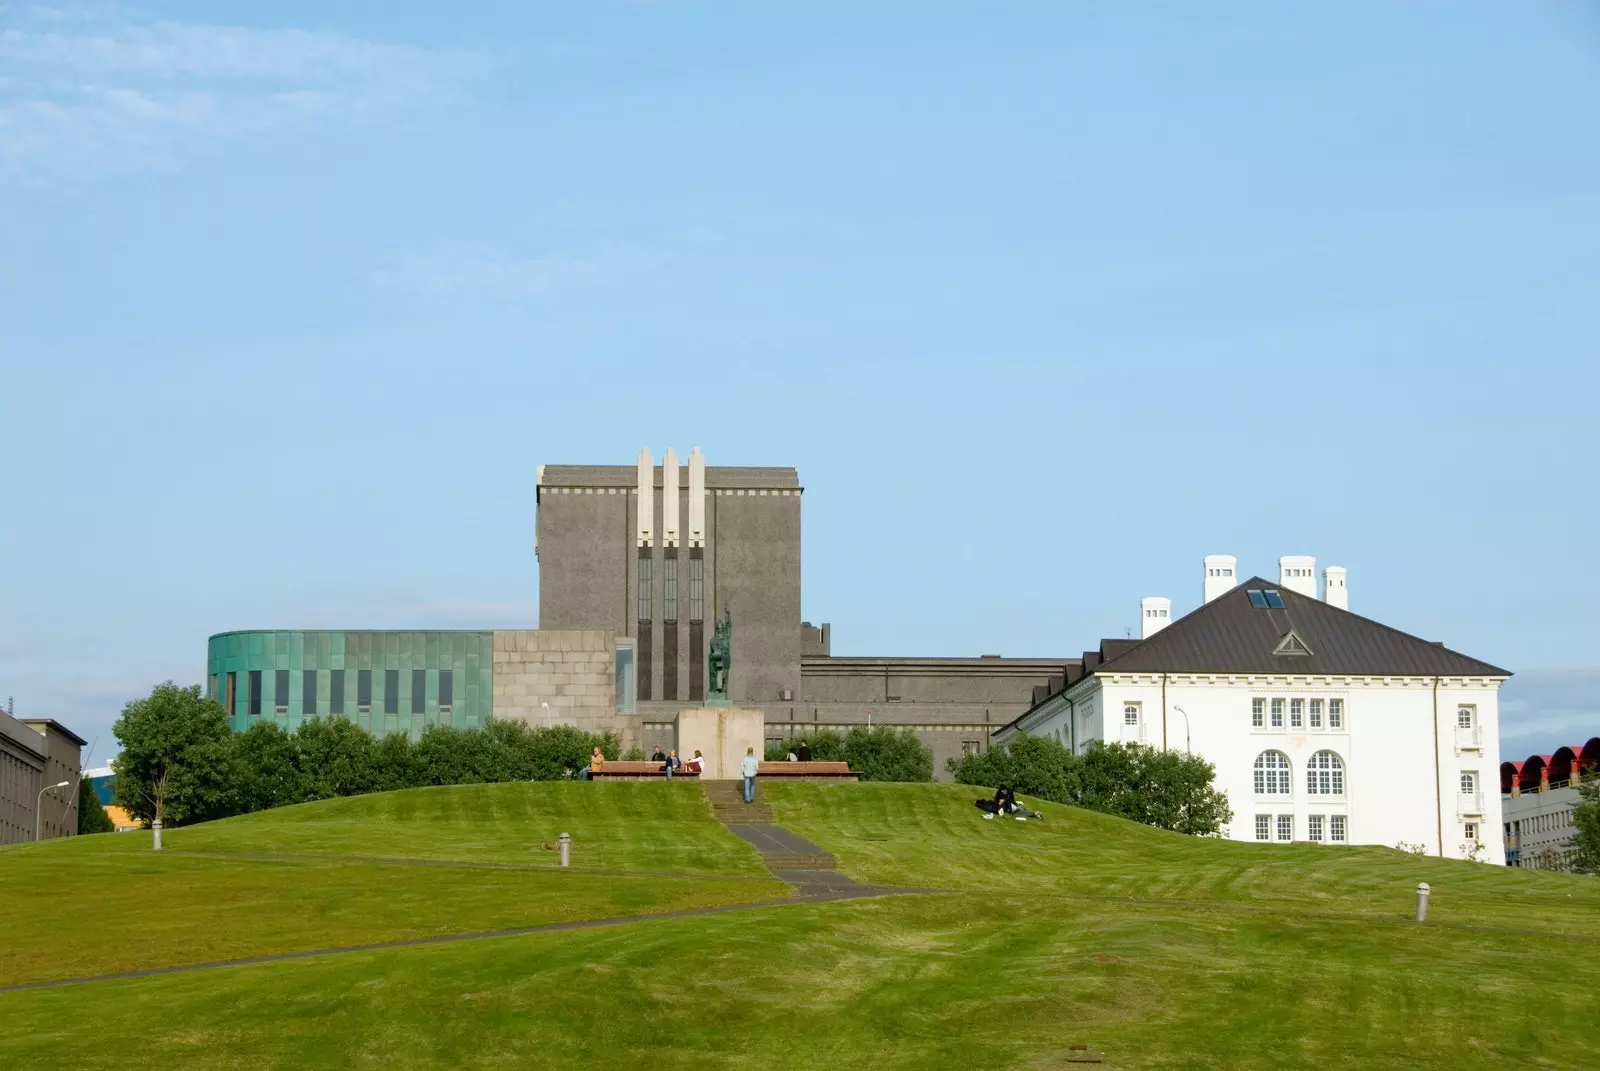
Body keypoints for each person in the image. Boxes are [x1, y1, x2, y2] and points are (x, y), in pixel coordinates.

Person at [977, 785, 1044, 821]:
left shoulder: (1009, 793)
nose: (1004, 792)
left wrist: (1005, 802)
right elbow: (996, 801)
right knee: (1021, 812)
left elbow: (1011, 800)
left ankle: (1034, 814)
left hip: (1012, 806)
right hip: (1009, 808)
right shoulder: (998, 795)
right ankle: (1034, 814)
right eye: (1003, 791)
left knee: (1021, 811)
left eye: (1005, 791)